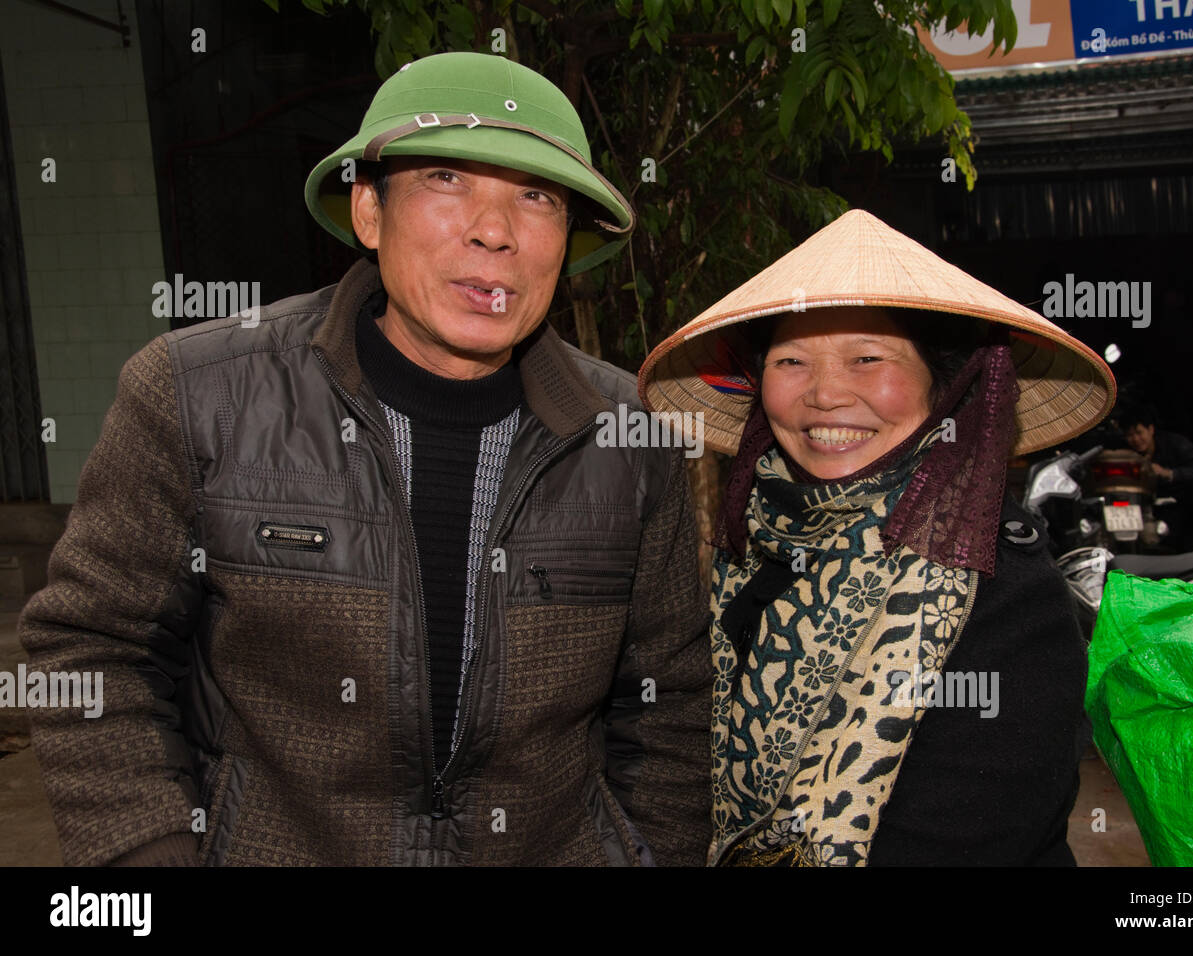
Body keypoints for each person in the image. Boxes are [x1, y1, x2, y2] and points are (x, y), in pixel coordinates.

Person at [19, 52, 711, 866]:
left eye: (536, 196)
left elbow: (669, 703)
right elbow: (94, 650)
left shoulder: (631, 433)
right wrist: (149, 851)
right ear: (369, 212)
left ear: (567, 239)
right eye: (447, 180)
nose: (495, 230)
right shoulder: (199, 394)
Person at [639, 209, 1117, 866]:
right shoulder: (756, 553)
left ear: (941, 386)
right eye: (791, 359)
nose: (826, 393)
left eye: (868, 357)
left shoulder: (1009, 596)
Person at [1120, 406, 1193, 551]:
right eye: (1130, 435)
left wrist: (1168, 473)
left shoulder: (1175, 444)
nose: (1135, 439)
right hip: (1143, 501)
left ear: (1151, 430)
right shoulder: (1122, 451)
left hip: (1177, 497)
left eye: (1139, 432)